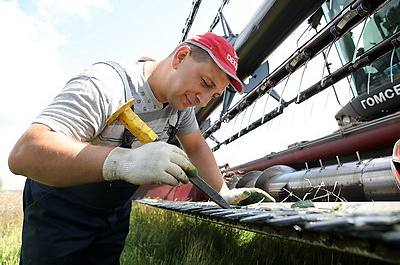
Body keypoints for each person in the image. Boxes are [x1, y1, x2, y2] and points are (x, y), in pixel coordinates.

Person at [8, 32, 274, 264]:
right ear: (181, 57)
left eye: (214, 96)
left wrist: (222, 192)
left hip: (113, 208)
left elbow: (195, 146)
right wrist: (123, 162)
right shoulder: (106, 84)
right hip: (61, 206)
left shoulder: (181, 106)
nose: (202, 101)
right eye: (205, 83)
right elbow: (25, 154)